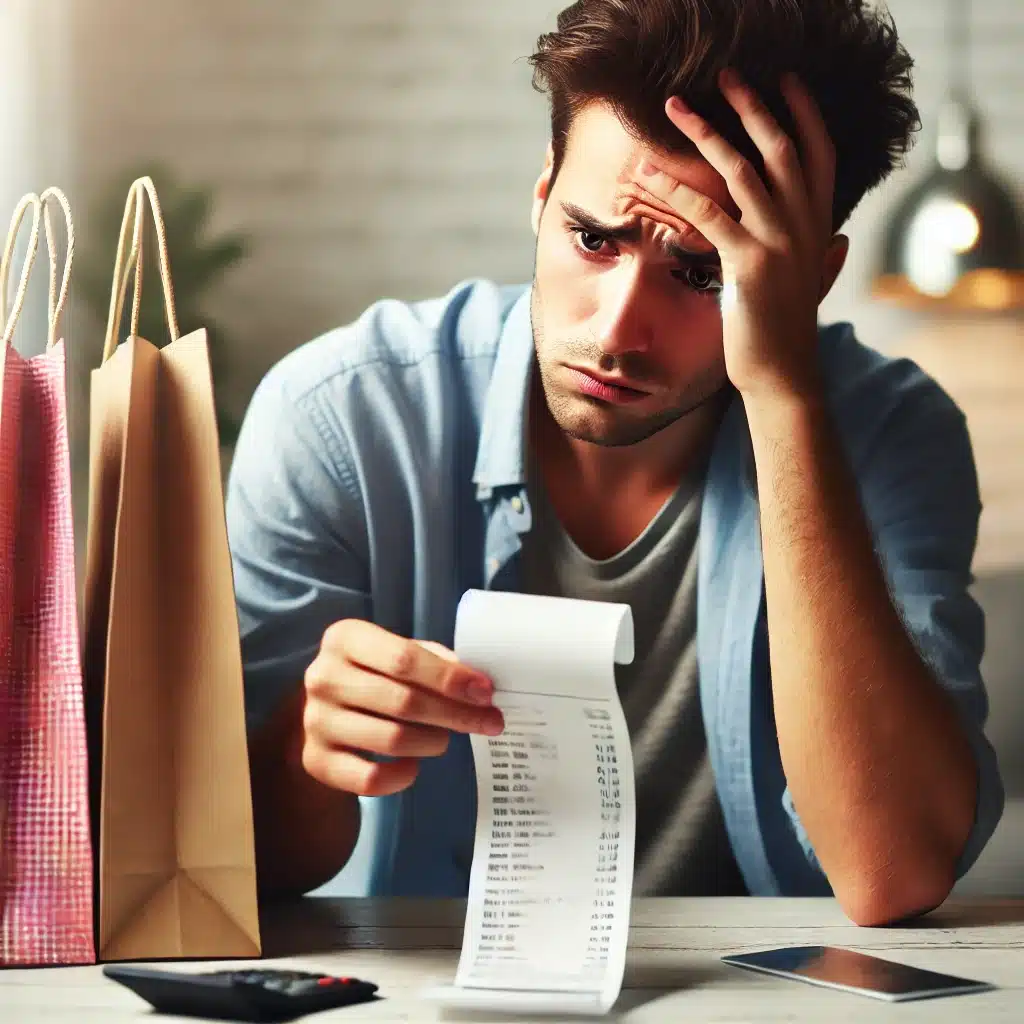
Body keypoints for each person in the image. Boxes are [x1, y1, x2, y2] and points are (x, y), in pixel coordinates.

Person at [227, 0, 1004, 926]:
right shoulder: (342, 421)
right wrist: (307, 753)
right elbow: (234, 865)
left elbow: (893, 874)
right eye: (594, 240)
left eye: (701, 274)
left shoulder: (888, 434)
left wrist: (785, 392)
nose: (617, 332)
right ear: (542, 195)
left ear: (811, 276)